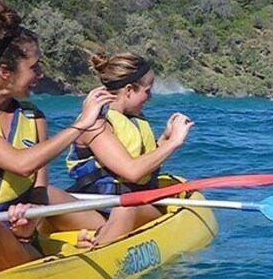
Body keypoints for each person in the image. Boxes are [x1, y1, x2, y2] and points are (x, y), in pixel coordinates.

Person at [0, 0, 115, 273]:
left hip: (18, 242)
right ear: (5, 71)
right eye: (34, 67)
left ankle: (99, 243)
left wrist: (27, 226)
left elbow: (38, 190)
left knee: (64, 203)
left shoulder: (34, 118)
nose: (41, 74)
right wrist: (80, 125)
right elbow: (21, 165)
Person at [67, 52, 194, 247]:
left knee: (125, 207)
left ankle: (97, 245)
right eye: (147, 91)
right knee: (44, 194)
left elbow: (137, 164)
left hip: (134, 207)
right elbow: (132, 171)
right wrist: (174, 142)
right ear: (128, 90)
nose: (149, 98)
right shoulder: (95, 123)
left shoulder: (132, 118)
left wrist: (163, 141)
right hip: (97, 208)